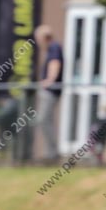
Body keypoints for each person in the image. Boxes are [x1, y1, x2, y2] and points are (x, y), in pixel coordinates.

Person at [34, 25, 63, 162]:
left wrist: (49, 80)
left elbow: (55, 63)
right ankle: (51, 152)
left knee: (44, 120)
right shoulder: (53, 47)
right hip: (50, 91)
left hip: (50, 91)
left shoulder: (54, 47)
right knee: (46, 121)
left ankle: (52, 153)